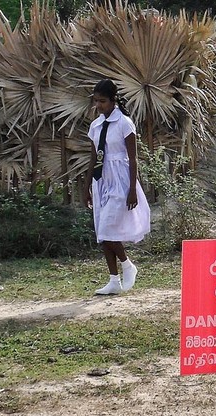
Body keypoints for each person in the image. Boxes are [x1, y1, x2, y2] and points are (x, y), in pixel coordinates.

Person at [85, 79, 151, 295]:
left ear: (113, 100)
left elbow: (133, 159)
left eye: (102, 101)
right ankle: (114, 280)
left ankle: (127, 265)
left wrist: (132, 189)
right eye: (96, 102)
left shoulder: (124, 123)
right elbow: (93, 157)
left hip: (120, 180)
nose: (99, 106)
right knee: (102, 233)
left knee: (106, 228)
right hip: (101, 180)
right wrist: (87, 186)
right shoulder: (95, 126)